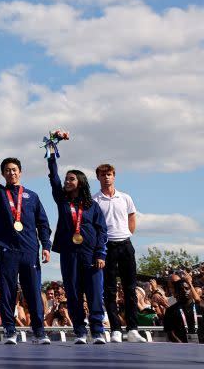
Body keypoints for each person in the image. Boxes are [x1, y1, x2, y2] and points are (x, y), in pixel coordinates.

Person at [0, 140, 51, 344]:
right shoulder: (0, 193)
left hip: (29, 250)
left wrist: (46, 246)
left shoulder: (32, 197)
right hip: (7, 250)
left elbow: (43, 223)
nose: (11, 173)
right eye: (7, 170)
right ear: (3, 174)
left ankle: (39, 331)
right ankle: (10, 330)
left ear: (20, 172)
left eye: (14, 169)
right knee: (7, 293)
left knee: (34, 293)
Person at [46, 146, 108, 344]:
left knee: (95, 295)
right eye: (66, 178)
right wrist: (52, 156)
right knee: (73, 293)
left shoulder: (92, 206)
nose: (67, 181)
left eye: (71, 178)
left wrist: (101, 254)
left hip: (91, 255)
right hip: (69, 254)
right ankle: (80, 331)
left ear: (80, 182)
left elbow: (102, 231)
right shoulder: (62, 201)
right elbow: (54, 178)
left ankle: (98, 331)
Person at [92, 163, 145, 343]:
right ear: (98, 177)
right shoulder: (94, 200)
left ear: (114, 176)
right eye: (102, 174)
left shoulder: (125, 197)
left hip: (125, 244)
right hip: (107, 247)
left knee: (130, 288)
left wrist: (126, 234)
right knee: (109, 289)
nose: (106, 177)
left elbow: (131, 218)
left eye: (109, 174)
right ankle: (115, 328)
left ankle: (133, 329)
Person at [162, 271, 202, 343]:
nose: (184, 291)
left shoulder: (201, 309)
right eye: (181, 289)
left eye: (187, 288)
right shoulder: (170, 311)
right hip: (180, 349)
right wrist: (182, 345)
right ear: (176, 292)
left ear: (191, 290)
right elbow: (170, 332)